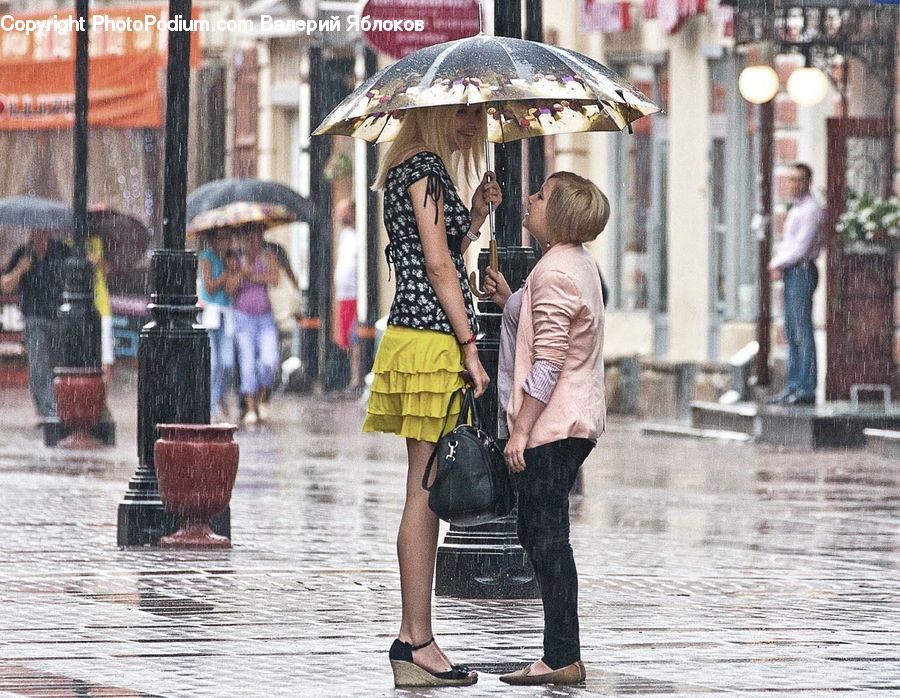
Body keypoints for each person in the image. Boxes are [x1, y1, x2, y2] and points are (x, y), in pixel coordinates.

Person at [362, 104, 501, 688]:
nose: (477, 122)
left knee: (425, 490)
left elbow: (435, 253)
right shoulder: (423, 168)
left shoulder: (413, 169)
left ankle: (416, 636)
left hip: (416, 336)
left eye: (482, 114)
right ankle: (415, 639)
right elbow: (440, 266)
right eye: (465, 112)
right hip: (430, 340)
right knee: (426, 492)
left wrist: (474, 216)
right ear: (436, 114)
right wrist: (470, 346)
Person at [483, 171, 608, 686]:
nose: (529, 200)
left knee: (547, 537)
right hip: (566, 423)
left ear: (556, 216)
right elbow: (542, 327)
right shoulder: (566, 265)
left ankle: (561, 656)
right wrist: (510, 298)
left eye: (539, 195)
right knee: (537, 532)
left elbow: (549, 362)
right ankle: (561, 652)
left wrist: (520, 431)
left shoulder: (557, 271)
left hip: (555, 424)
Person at [767, 162, 823, 406]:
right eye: (790, 180)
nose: (793, 184)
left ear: (808, 181)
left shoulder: (811, 209)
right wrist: (779, 262)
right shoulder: (796, 209)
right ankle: (793, 385)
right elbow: (788, 243)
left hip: (801, 270)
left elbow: (801, 246)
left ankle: (806, 387)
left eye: (798, 179)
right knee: (791, 330)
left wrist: (777, 262)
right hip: (792, 271)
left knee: (801, 330)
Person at [1, 228, 69, 419]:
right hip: (34, 317)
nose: (38, 235)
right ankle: (48, 412)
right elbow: (5, 285)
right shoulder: (22, 253)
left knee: (59, 365)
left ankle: (58, 407)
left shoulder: (62, 252)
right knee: (39, 365)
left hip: (59, 316)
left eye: (42, 230)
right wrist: (20, 270)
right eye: (35, 231)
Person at [233, 225, 280, 426]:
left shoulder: (268, 256)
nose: (253, 241)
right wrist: (241, 274)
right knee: (247, 363)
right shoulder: (236, 260)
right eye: (249, 237)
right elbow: (230, 288)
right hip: (243, 318)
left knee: (270, 361)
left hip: (265, 318)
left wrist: (251, 275)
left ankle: (264, 398)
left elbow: (275, 278)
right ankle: (251, 408)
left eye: (256, 237)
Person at [198, 229, 240, 421]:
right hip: (210, 314)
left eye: (228, 238)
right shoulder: (206, 258)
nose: (225, 242)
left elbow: (231, 291)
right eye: (221, 238)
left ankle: (219, 395)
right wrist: (224, 273)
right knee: (213, 363)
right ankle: (211, 406)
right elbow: (210, 287)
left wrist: (233, 271)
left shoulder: (233, 260)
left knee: (227, 363)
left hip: (226, 314)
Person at [333, 198, 363, 395]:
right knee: (347, 340)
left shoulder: (360, 235)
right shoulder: (345, 235)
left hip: (355, 295)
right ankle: (351, 378)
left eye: (342, 211)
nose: (338, 216)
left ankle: (356, 379)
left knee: (355, 338)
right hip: (344, 295)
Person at [86, 235, 115, 384]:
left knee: (106, 354)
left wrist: (98, 261)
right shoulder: (67, 244)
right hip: (82, 307)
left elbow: (109, 268)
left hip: (101, 305)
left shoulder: (99, 241)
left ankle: (102, 396)